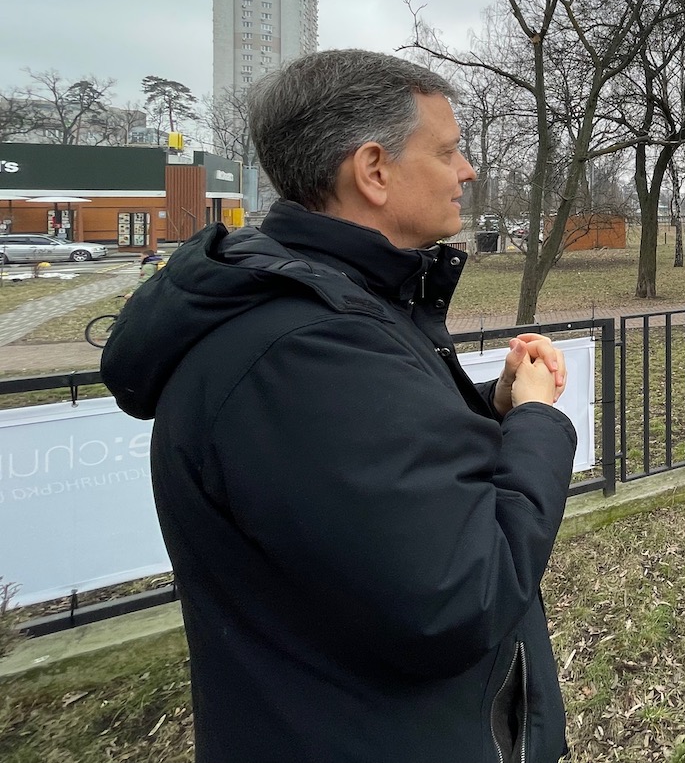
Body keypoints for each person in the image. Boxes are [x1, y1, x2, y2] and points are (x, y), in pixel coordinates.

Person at [102, 50, 576, 763]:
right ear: (374, 170)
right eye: (448, 151)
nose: (468, 169)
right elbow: (468, 590)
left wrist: (496, 403)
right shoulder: (302, 350)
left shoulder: (335, 308)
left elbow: (379, 472)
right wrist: (539, 422)